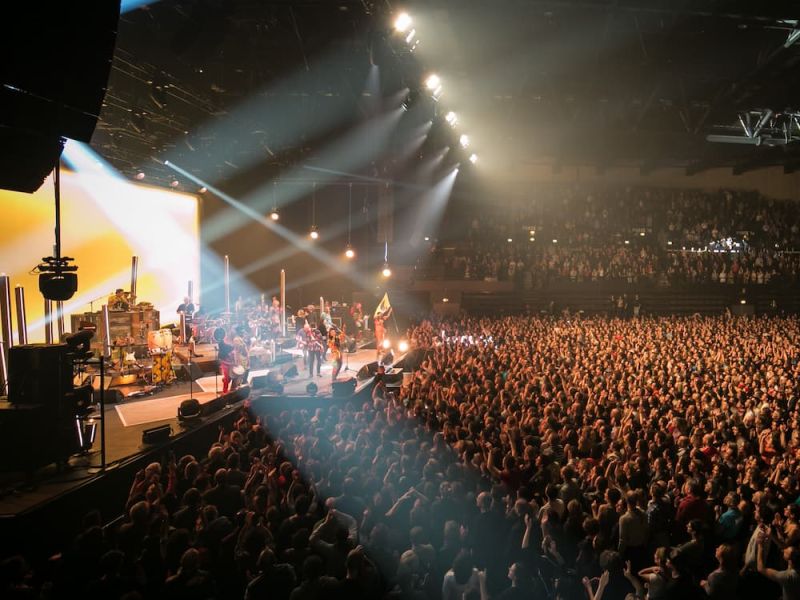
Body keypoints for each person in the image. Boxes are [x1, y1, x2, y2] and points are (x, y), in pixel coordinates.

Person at [214, 327, 236, 394]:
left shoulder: (234, 342)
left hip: (232, 363)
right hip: (225, 362)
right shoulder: (222, 342)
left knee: (232, 378)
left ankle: (232, 390)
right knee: (227, 378)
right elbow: (225, 347)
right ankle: (225, 391)